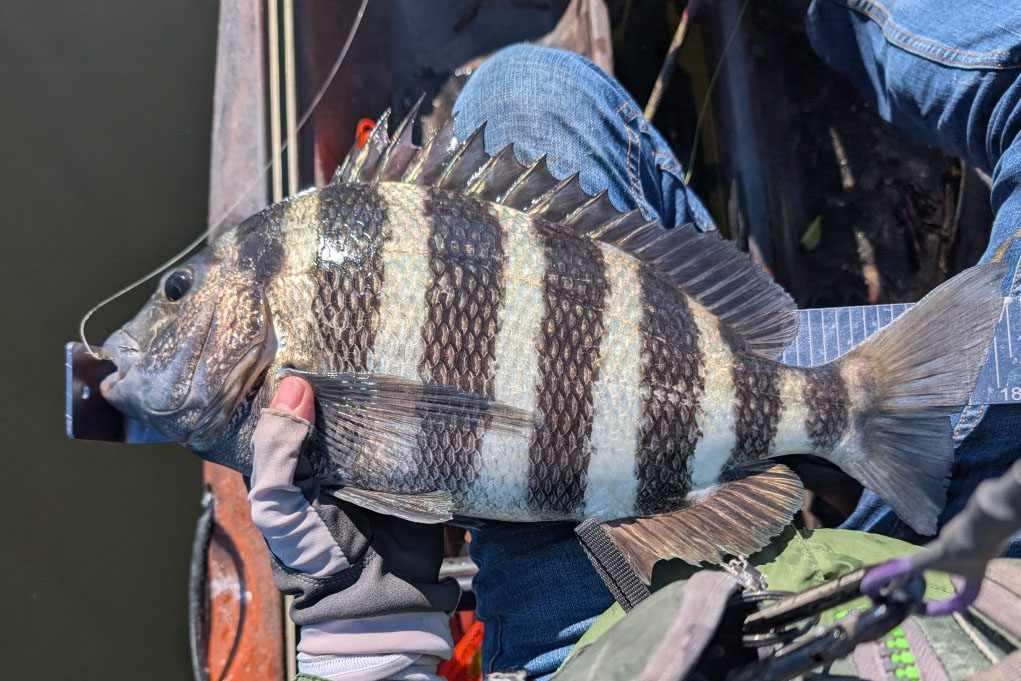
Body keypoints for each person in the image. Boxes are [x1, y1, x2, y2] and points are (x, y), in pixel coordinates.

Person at [248, 2, 1021, 678]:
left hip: (597, 647)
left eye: (181, 291)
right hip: (951, 621)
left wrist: (366, 651)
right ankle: (847, 425)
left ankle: (836, 439)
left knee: (528, 93)